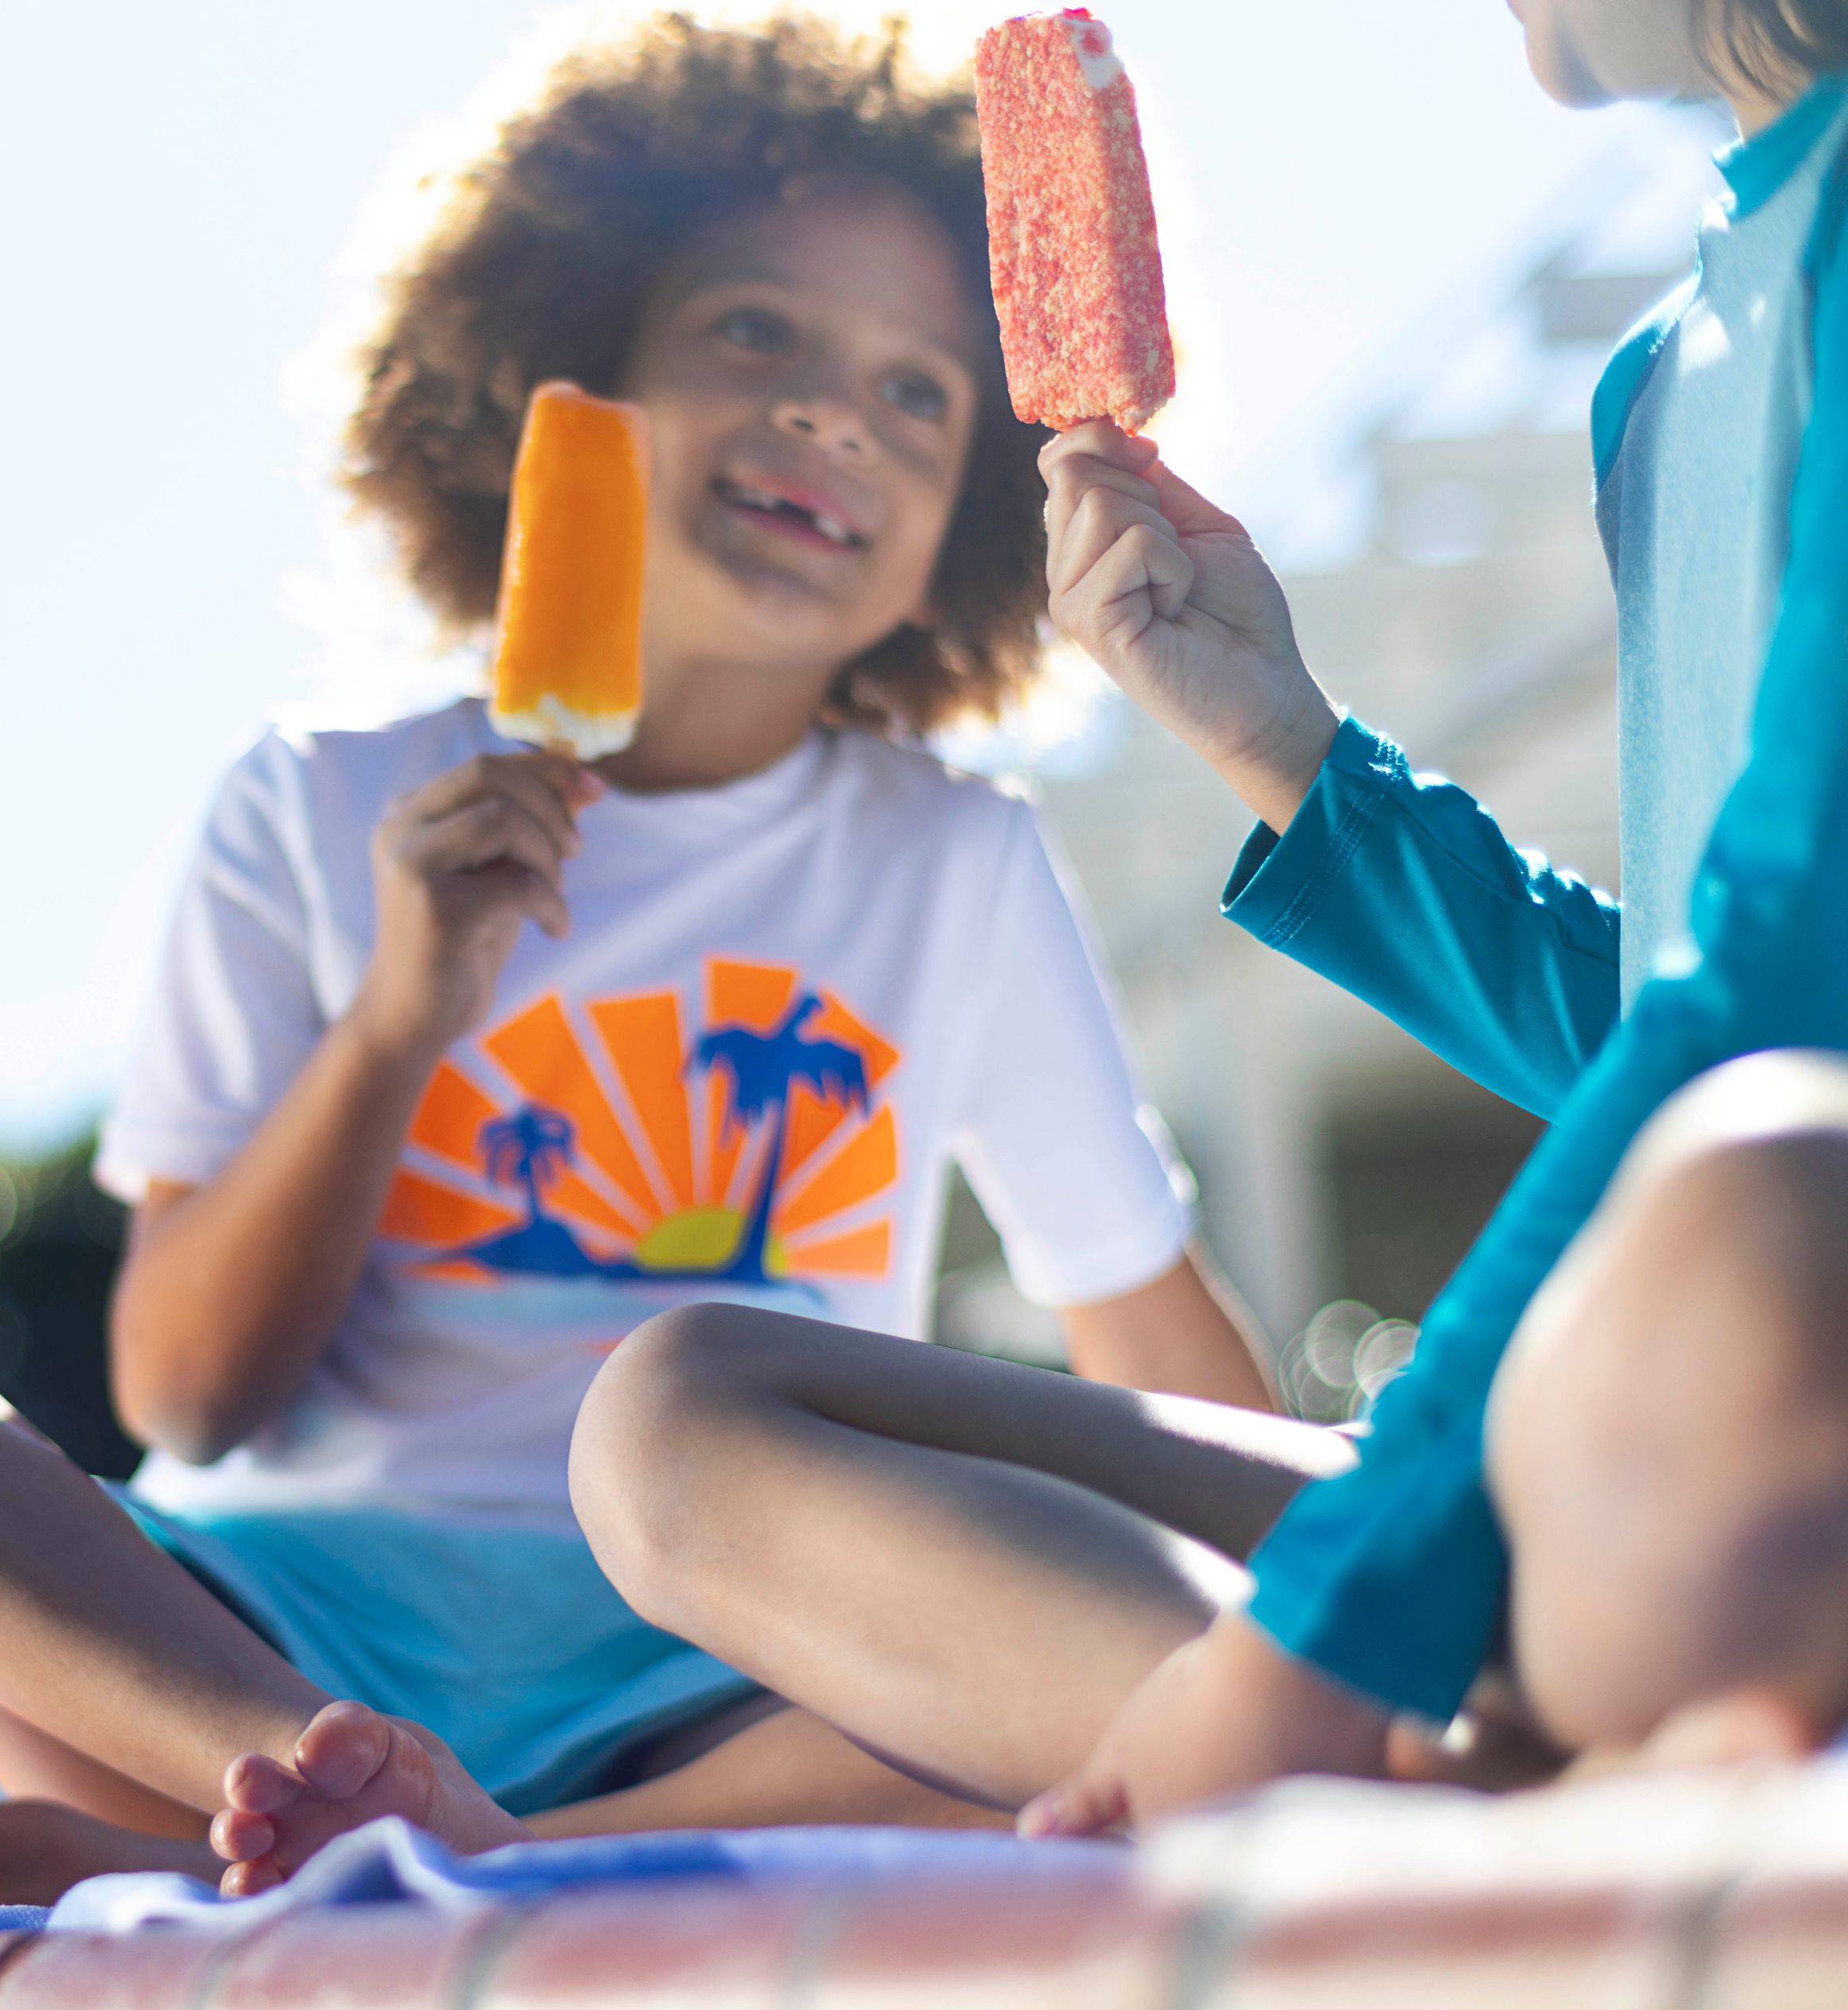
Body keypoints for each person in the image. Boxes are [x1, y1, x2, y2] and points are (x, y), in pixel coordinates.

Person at [0, 10, 1285, 1913]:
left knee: (1127, 1676)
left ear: (964, 516)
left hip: (732, 1646)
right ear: (567, 380)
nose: (838, 410)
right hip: (243, 1643)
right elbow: (184, 1390)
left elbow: (1142, 1339)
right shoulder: (314, 811)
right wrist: (402, 1008)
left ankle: (396, 1860)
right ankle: (283, 1797)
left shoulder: (955, 864)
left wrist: (1346, 1562)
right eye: (756, 332)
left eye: (922, 394)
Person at [549, 0, 1848, 1843]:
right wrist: (1292, 755)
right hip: (1671, 1399)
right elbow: (1659, 1021)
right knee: (676, 1413)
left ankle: (1341, 1730)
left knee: (1755, 1191)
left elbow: (1760, 1025)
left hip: (1781, 1338)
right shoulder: (1661, 374)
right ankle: (1449, 1773)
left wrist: (1296, 1644)